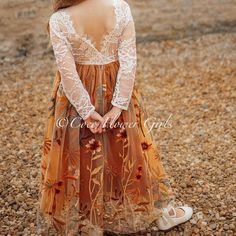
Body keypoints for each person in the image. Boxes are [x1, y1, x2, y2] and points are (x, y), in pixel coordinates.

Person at [37, 0, 193, 235]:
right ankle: (157, 212)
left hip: (78, 98)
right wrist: (118, 107)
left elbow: (67, 73)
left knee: (79, 151)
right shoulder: (120, 7)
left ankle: (86, 221)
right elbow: (129, 62)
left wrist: (87, 112)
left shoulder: (59, 19)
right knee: (129, 148)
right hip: (116, 89)